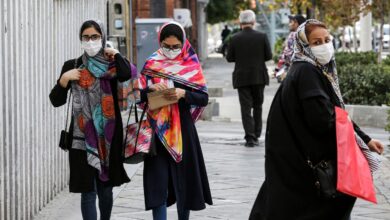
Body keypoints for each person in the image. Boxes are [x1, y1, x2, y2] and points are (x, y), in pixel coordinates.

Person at [249, 19, 384, 220]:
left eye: (327, 40)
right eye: (316, 42)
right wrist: (355, 143)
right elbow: (323, 119)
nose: (324, 46)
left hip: (295, 162)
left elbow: (334, 112)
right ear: (304, 45)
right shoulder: (307, 72)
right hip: (307, 164)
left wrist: (365, 139)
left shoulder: (306, 69)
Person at [49, 19, 133, 220]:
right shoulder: (73, 66)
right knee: (88, 192)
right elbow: (55, 101)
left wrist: (118, 55)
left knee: (106, 191)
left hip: (108, 139)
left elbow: (127, 74)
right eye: (86, 37)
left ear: (102, 38)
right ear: (80, 39)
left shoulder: (112, 65)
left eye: (95, 37)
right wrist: (63, 80)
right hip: (81, 140)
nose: (90, 41)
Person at [137, 21, 212, 220]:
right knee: (157, 185)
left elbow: (203, 98)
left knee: (184, 184)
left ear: (183, 43)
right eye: (166, 46)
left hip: (184, 132)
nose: (171, 51)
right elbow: (139, 96)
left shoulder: (191, 64)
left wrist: (183, 93)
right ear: (160, 42)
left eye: (175, 46)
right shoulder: (151, 63)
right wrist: (150, 90)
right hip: (156, 132)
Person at [226, 10, 272, 147]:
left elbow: (229, 58)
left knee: (245, 108)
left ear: (240, 22)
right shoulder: (262, 36)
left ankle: (250, 137)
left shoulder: (234, 38)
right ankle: (257, 134)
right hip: (259, 76)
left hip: (242, 78)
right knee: (258, 106)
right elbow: (269, 56)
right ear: (253, 22)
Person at [274, 14, 306, 82]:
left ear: (297, 23)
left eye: (291, 22)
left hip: (291, 70)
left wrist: (278, 70)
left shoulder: (293, 35)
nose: (289, 24)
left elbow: (287, 55)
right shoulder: (304, 35)